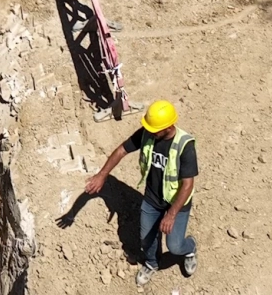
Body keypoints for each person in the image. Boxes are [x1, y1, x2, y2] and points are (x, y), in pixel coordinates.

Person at [83, 99, 198, 287]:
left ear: (168, 127)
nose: (150, 131)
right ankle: (152, 263)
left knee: (175, 246)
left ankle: (190, 248)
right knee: (147, 238)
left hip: (176, 204)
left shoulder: (185, 146)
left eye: (154, 129)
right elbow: (121, 150)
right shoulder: (149, 134)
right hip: (152, 199)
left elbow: (187, 185)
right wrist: (102, 175)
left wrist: (171, 215)